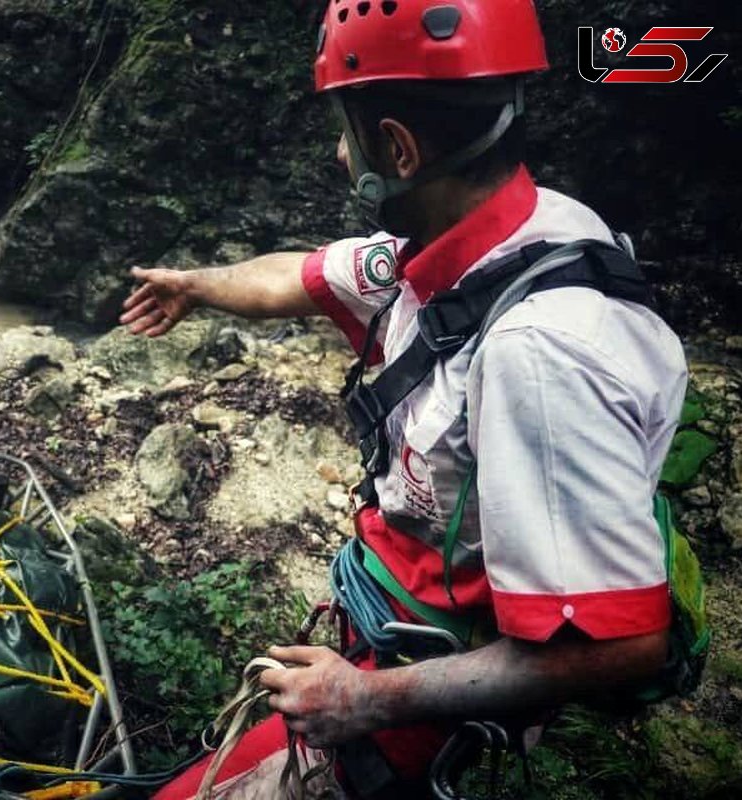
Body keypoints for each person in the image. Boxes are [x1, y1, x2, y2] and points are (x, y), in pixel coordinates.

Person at [121, 1, 686, 797]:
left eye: (346, 131)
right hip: (391, 624)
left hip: (423, 693)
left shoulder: (542, 354)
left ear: (397, 147)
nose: (337, 150)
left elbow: (618, 644)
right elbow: (296, 277)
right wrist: (192, 286)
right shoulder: (484, 239)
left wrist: (366, 700)